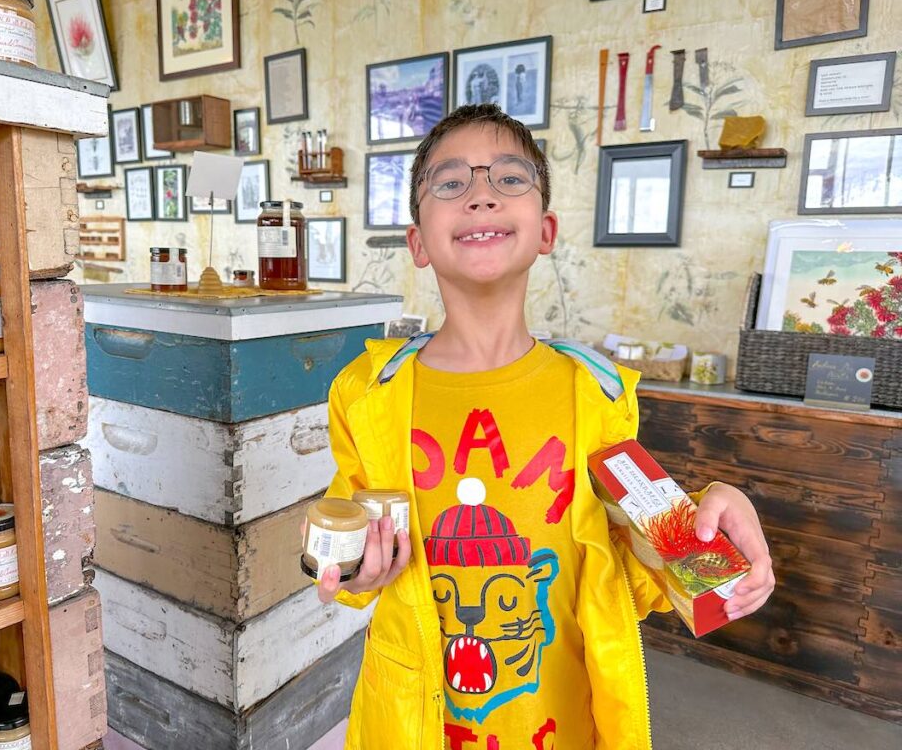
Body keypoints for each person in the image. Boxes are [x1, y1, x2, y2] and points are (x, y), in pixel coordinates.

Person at [312, 103, 776, 750]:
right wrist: (353, 572)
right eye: (449, 183)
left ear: (546, 230)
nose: (479, 195)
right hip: (411, 723)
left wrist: (708, 520)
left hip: (562, 726)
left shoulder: (597, 392)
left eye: (509, 178)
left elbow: (633, 571)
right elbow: (345, 527)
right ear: (417, 241)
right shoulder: (367, 395)